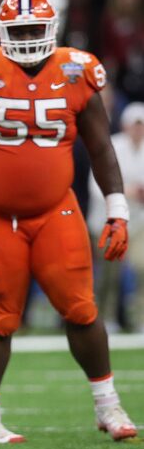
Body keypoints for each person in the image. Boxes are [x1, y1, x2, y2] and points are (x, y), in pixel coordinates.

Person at [0, 0, 137, 443]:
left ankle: (108, 405)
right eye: (19, 31)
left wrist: (117, 209)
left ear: (53, 29)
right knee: (0, 317)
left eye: (36, 29)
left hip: (56, 208)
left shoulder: (78, 71)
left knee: (81, 309)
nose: (29, 38)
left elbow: (101, 147)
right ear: (1, 34)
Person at [90, 102, 144, 333]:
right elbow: (95, 185)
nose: (138, 130)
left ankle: (140, 317)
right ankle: (106, 317)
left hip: (138, 221)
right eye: (135, 125)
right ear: (126, 125)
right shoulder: (112, 146)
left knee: (142, 266)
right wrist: (124, 192)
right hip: (109, 220)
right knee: (109, 273)